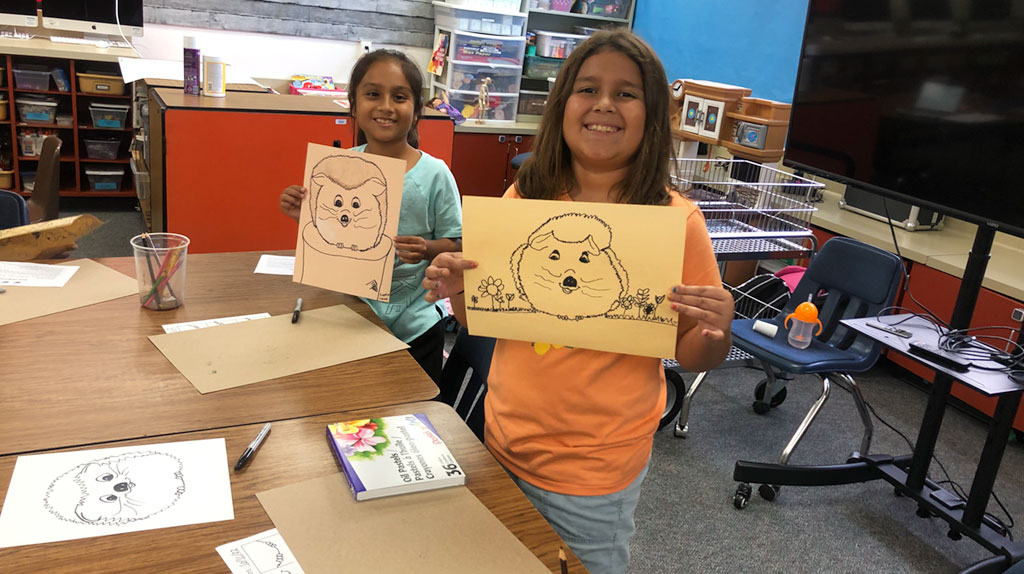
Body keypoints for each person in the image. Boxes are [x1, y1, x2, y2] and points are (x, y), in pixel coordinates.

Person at [421, 30, 733, 574]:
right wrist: (461, 291)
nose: (604, 104)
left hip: (596, 463)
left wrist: (714, 331)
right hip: (504, 433)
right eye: (587, 88)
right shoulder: (526, 197)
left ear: (652, 114)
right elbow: (486, 319)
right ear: (563, 105)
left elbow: (693, 355)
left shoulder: (674, 220)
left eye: (627, 93)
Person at [280, 49, 463, 384]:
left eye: (400, 96)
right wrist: (303, 216)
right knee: (352, 400)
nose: (386, 106)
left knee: (412, 410)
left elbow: (459, 242)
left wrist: (427, 248)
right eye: (373, 94)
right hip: (351, 314)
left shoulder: (435, 173)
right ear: (353, 105)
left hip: (416, 323)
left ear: (417, 110)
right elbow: (333, 232)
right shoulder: (342, 165)